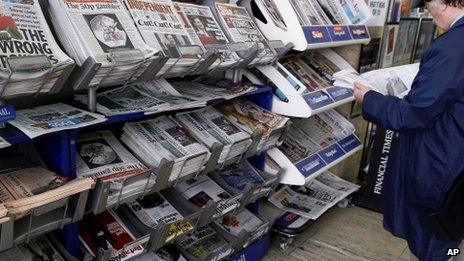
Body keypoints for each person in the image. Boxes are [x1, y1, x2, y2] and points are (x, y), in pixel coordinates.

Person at [353, 0, 464, 260]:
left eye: (428, 3)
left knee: (435, 245)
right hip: (455, 159)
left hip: (441, 163)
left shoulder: (452, 48)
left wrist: (369, 98)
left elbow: (414, 116)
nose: (427, 10)